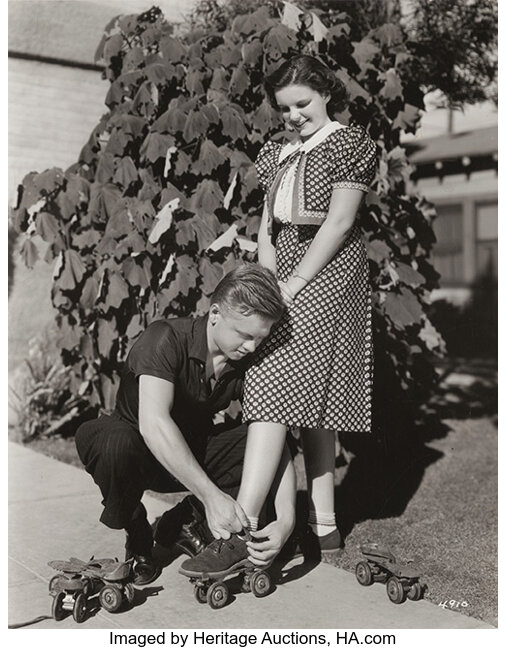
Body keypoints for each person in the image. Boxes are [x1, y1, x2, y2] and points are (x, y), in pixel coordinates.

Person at [180, 54, 376, 576]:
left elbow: (338, 223)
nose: (292, 115)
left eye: (302, 103)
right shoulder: (279, 152)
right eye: (283, 107)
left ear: (327, 93)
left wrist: (293, 283)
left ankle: (241, 525)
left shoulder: (350, 144)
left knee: (274, 384)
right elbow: (268, 225)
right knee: (300, 394)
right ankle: (325, 525)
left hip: (328, 272)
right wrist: (269, 284)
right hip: (284, 270)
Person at [75, 264, 296, 585]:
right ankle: (137, 530)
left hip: (189, 453)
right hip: (134, 447)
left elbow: (274, 438)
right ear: (216, 313)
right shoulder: (165, 338)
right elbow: (155, 425)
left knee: (259, 442)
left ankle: (183, 521)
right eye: (245, 335)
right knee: (112, 441)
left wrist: (286, 523)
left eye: (259, 338)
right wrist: (212, 497)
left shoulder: (246, 361)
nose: (251, 346)